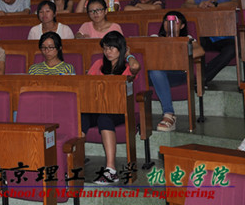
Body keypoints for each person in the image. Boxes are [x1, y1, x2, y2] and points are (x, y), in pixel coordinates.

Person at [82, 32, 140, 185]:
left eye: (112, 48)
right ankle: (74, 165)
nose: (107, 52)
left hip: (119, 110)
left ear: (121, 48)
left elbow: (136, 66)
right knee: (81, 117)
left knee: (104, 118)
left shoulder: (128, 67)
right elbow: (87, 85)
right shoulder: (98, 64)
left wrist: (128, 55)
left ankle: (111, 170)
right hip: (97, 106)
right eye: (105, 48)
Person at [148, 11, 205, 132]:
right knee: (154, 72)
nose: (170, 24)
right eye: (167, 21)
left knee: (156, 72)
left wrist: (177, 57)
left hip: (178, 74)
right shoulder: (155, 37)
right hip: (155, 74)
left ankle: (169, 115)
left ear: (182, 25)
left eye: (175, 22)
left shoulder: (187, 38)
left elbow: (200, 51)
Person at [184, 0, 238, 83]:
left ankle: (202, 78)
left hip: (224, 38)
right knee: (195, 42)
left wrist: (216, 5)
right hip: (205, 37)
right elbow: (186, 5)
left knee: (233, 48)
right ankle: (199, 77)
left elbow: (235, 3)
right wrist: (198, 6)